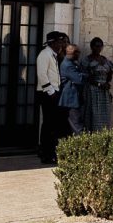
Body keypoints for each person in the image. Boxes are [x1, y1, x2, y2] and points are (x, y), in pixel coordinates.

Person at [36, 30, 66, 164]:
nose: (61, 45)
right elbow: (42, 75)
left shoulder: (53, 55)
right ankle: (45, 153)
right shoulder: (45, 54)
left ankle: (51, 152)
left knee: (53, 124)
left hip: (54, 92)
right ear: (52, 43)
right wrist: (51, 91)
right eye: (59, 42)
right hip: (47, 93)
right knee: (48, 124)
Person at [83, 37, 113, 131]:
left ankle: (103, 136)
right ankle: (92, 135)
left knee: (105, 114)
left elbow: (110, 73)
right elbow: (86, 77)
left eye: (100, 46)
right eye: (96, 46)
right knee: (94, 114)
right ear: (91, 47)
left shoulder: (104, 60)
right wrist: (99, 84)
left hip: (104, 91)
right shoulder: (87, 60)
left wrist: (107, 82)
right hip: (92, 90)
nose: (98, 48)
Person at [59, 43, 87, 134]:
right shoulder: (67, 65)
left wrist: (81, 74)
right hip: (71, 99)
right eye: (78, 52)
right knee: (77, 125)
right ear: (73, 52)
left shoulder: (72, 63)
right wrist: (86, 75)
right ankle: (81, 142)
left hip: (75, 98)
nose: (79, 54)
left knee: (77, 124)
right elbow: (79, 79)